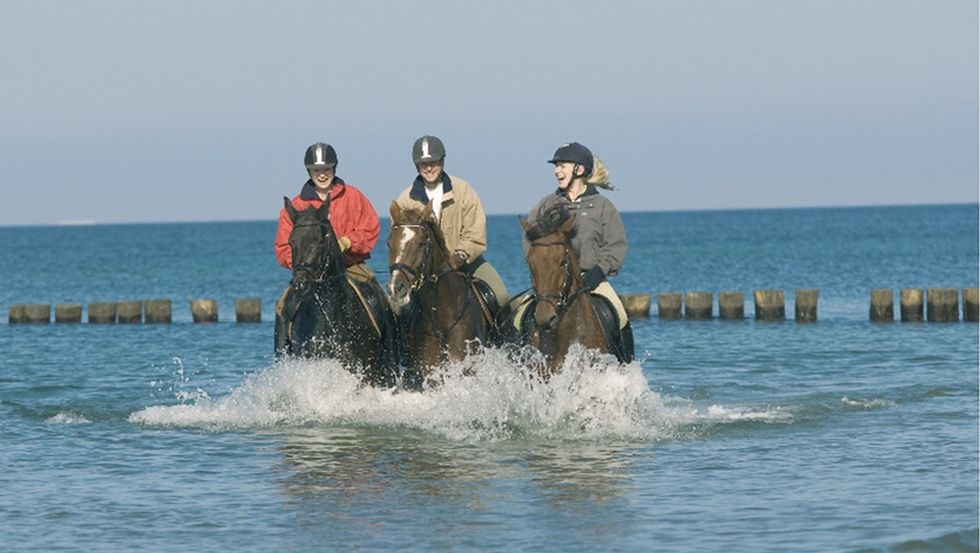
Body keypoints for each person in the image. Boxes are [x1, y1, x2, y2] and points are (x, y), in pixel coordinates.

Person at [274, 142, 391, 354]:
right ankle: (281, 359)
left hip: (350, 266)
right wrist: (304, 260)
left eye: (326, 169)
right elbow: (283, 247)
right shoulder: (296, 205)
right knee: (283, 306)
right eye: (316, 170)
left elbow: (370, 227)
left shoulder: (353, 196)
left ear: (334, 168)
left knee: (378, 299)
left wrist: (347, 242)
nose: (322, 174)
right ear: (309, 172)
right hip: (309, 273)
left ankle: (391, 354)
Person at [523, 141, 632, 359]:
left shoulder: (603, 206)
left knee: (619, 315)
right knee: (520, 318)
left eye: (562, 166)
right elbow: (530, 243)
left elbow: (615, 245)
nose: (557, 171)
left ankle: (625, 363)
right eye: (556, 166)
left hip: (592, 280)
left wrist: (598, 272)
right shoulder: (545, 205)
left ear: (579, 170)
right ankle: (517, 361)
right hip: (551, 283)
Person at [390, 135, 510, 322]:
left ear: (443, 161)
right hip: (421, 271)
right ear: (417, 166)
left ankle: (505, 339)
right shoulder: (405, 199)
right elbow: (399, 243)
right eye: (423, 164)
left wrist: (460, 255)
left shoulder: (463, 190)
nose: (429, 168)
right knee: (394, 308)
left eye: (434, 162)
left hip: (466, 263)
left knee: (501, 297)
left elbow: (475, 232)